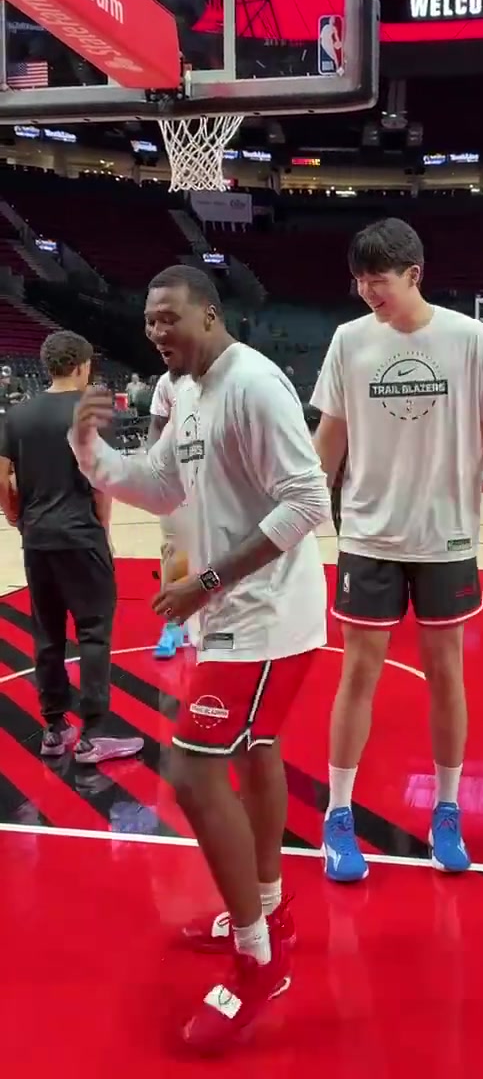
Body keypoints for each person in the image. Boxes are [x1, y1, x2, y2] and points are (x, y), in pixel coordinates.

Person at [69, 265, 330, 1054]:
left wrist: (207, 581)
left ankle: (260, 961)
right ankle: (270, 911)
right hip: (230, 611)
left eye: (169, 317)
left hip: (266, 614)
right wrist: (88, 448)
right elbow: (160, 486)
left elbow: (309, 502)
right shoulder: (178, 391)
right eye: (149, 320)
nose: (156, 331)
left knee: (188, 771)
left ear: (210, 315)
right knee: (256, 749)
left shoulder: (254, 385)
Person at [310, 218, 483, 883]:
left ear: (414, 274)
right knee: (358, 673)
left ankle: (447, 809)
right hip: (369, 534)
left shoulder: (468, 339)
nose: (366, 290)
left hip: (447, 536)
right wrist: (298, 518)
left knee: (446, 673)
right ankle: (338, 814)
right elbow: (330, 440)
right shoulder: (348, 341)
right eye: (359, 279)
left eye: (378, 278)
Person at [0, 331, 143, 764]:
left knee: (47, 635)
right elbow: (102, 480)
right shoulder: (91, 410)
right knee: (93, 633)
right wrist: (103, 529)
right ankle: (95, 733)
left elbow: (2, 476)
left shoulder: (17, 416)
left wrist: (16, 516)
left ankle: (54, 729)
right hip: (81, 535)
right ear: (83, 365)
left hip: (37, 539)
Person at [148, 368, 192, 658]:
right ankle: (173, 624)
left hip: (220, 480)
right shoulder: (167, 382)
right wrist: (154, 468)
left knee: (224, 550)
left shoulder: (232, 375)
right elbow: (156, 424)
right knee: (175, 553)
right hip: (177, 481)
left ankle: (216, 624)